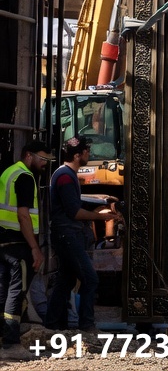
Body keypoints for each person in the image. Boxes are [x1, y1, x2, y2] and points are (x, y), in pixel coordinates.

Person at [44, 137, 116, 332]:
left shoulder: (66, 174)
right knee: (90, 278)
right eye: (87, 152)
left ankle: (54, 324)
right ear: (78, 155)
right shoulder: (65, 177)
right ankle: (86, 324)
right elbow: (74, 212)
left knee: (66, 280)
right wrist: (101, 217)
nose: (89, 155)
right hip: (67, 235)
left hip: (66, 233)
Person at [0, 141, 51, 358]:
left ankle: (3, 340)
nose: (45, 163)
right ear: (29, 155)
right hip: (18, 245)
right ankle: (11, 344)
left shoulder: (8, 172)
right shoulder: (25, 177)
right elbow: (23, 215)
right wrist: (35, 248)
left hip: (4, 243)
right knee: (16, 292)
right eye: (43, 158)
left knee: (3, 291)